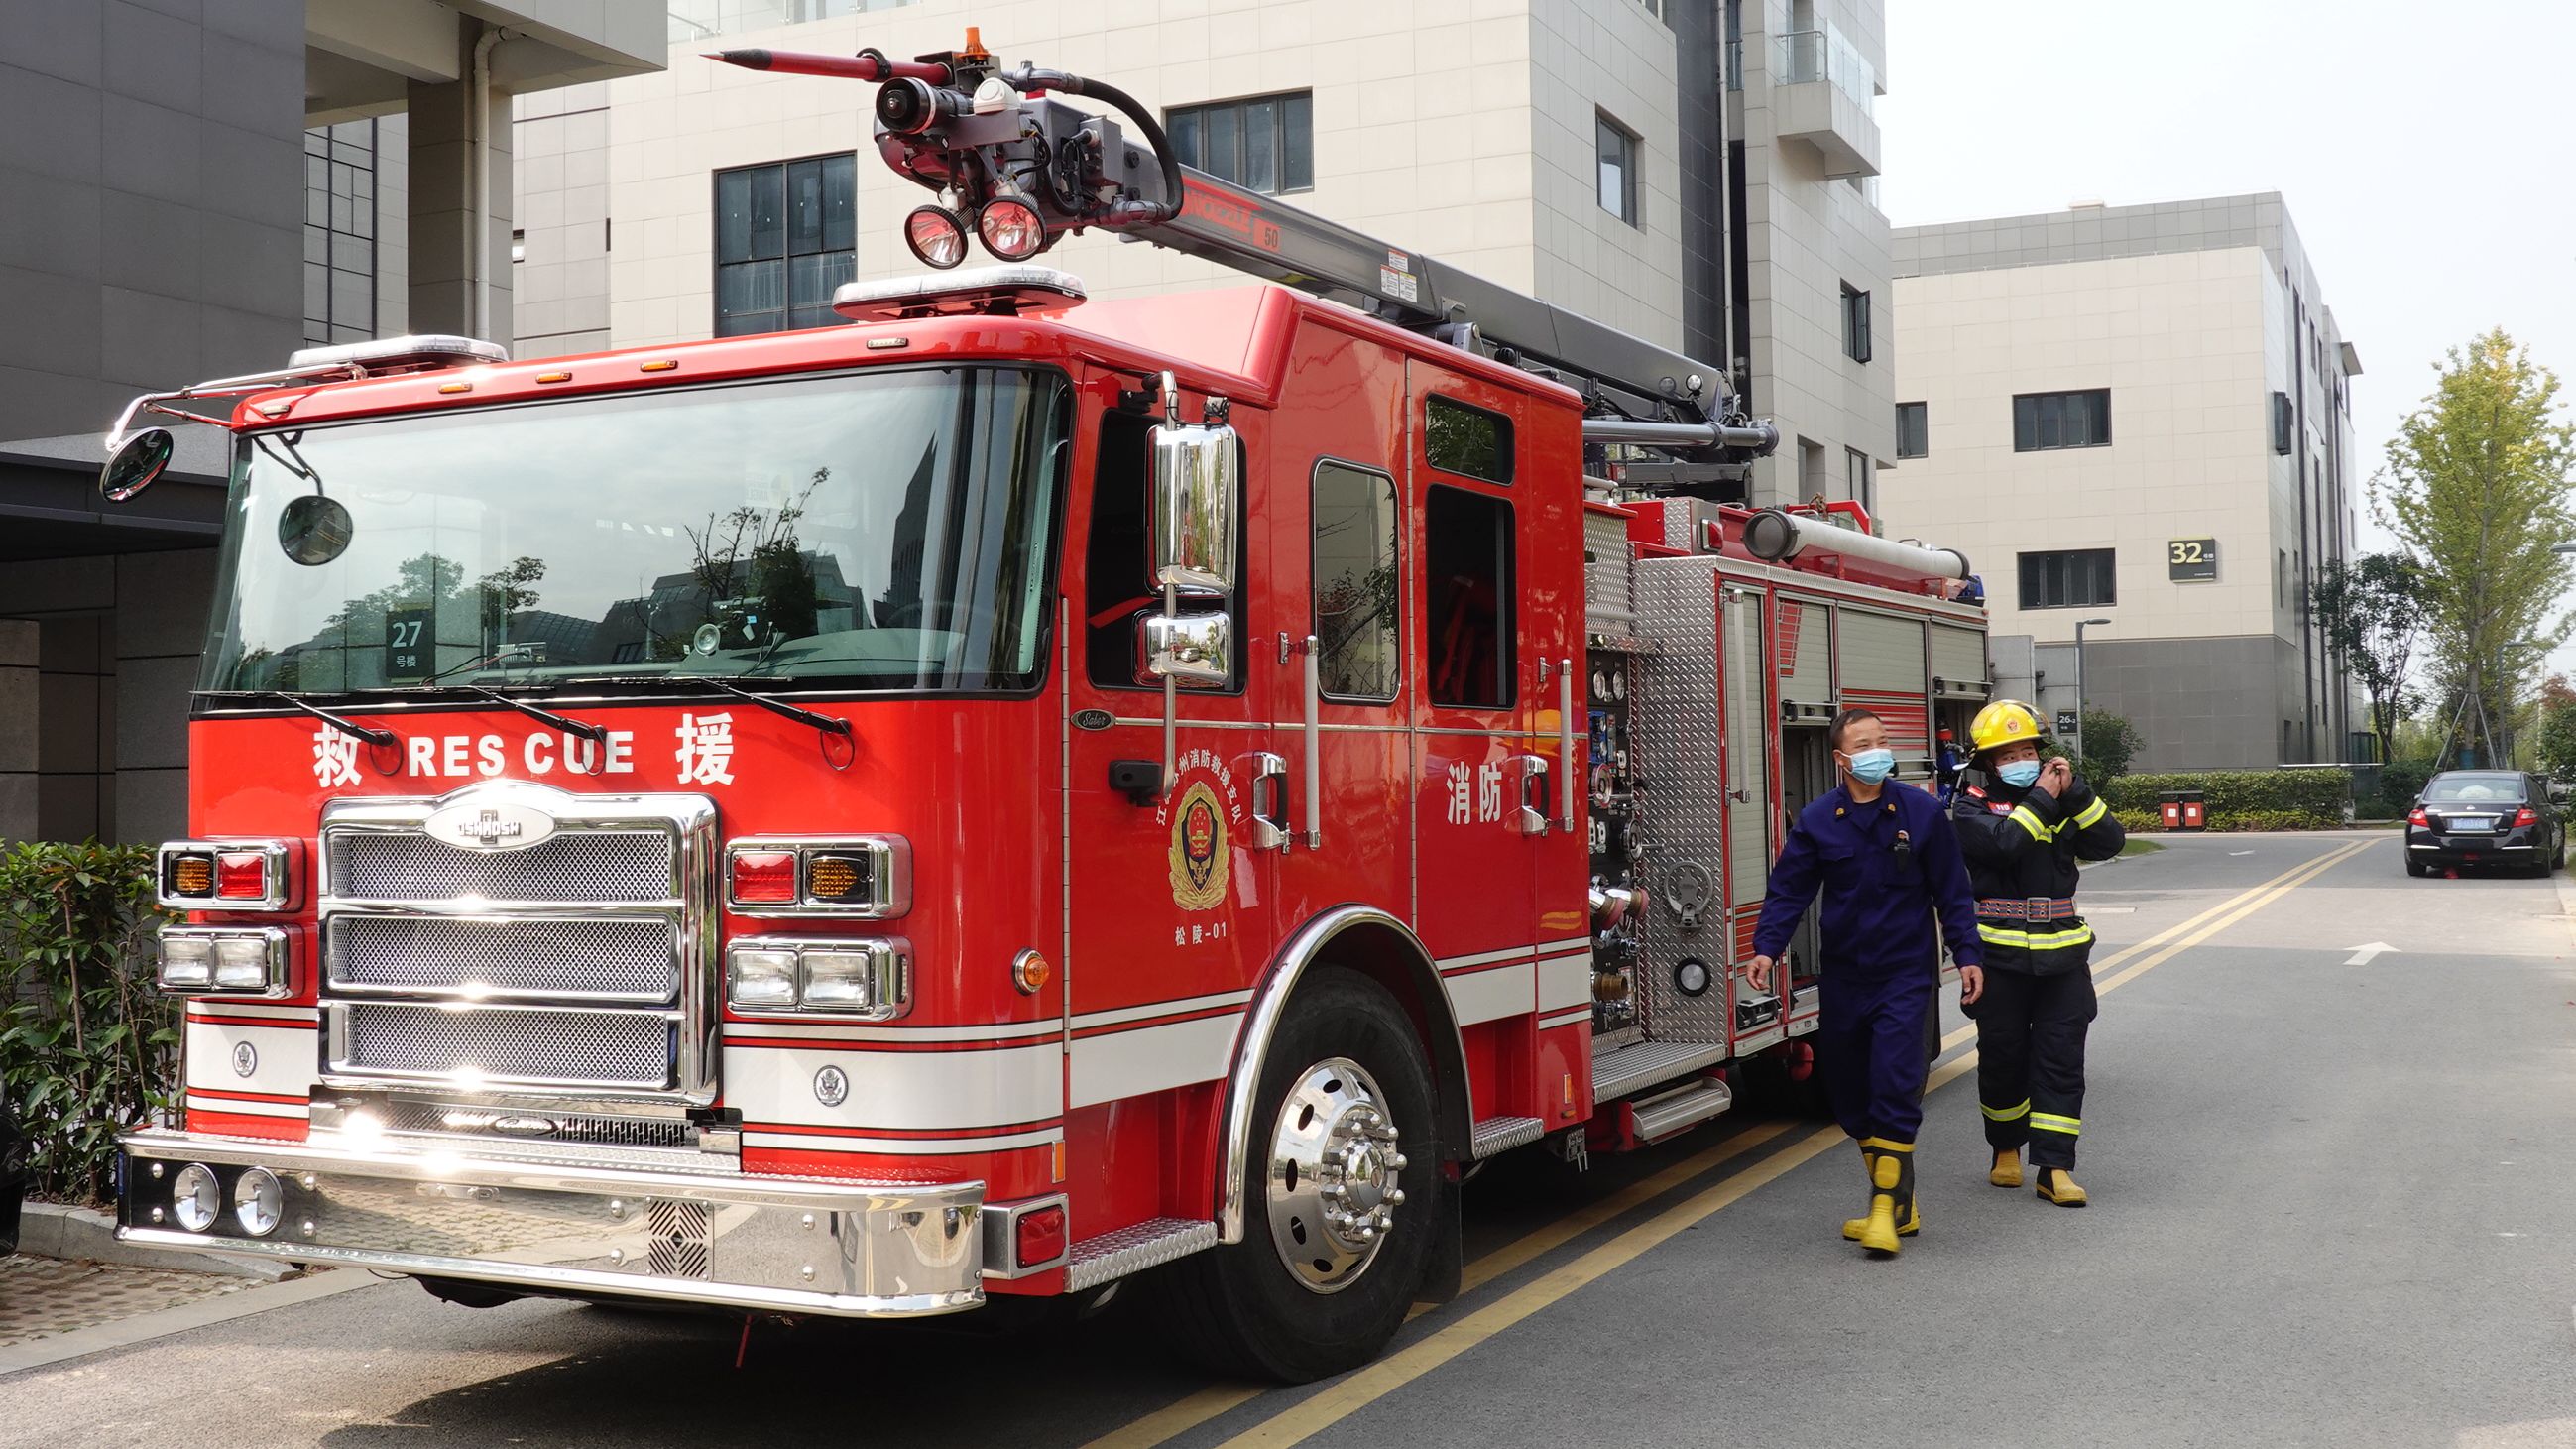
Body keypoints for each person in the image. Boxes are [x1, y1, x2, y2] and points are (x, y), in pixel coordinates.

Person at [1750, 708, 1984, 1258]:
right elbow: (1789, 890)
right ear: (1841, 758)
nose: (1877, 751)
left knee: (1895, 1082)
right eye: (1863, 744)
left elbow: (1953, 891)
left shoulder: (1922, 813)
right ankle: (1901, 1201)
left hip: (1905, 973)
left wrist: (1968, 954)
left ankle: (1882, 1208)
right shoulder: (1819, 820)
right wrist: (1766, 947)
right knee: (1850, 1092)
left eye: (1882, 740)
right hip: (1846, 976)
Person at [1948, 699, 2125, 1207]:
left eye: (2027, 751)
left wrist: (2077, 792)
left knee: (2061, 1060)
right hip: (1998, 959)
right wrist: (2045, 796)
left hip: (2064, 958)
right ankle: (2005, 1148)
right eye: (2007, 755)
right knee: (2003, 1057)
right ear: (1988, 762)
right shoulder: (1971, 807)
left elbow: (2109, 842)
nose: (2021, 761)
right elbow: (2005, 845)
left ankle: (2055, 1168)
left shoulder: (2063, 799)